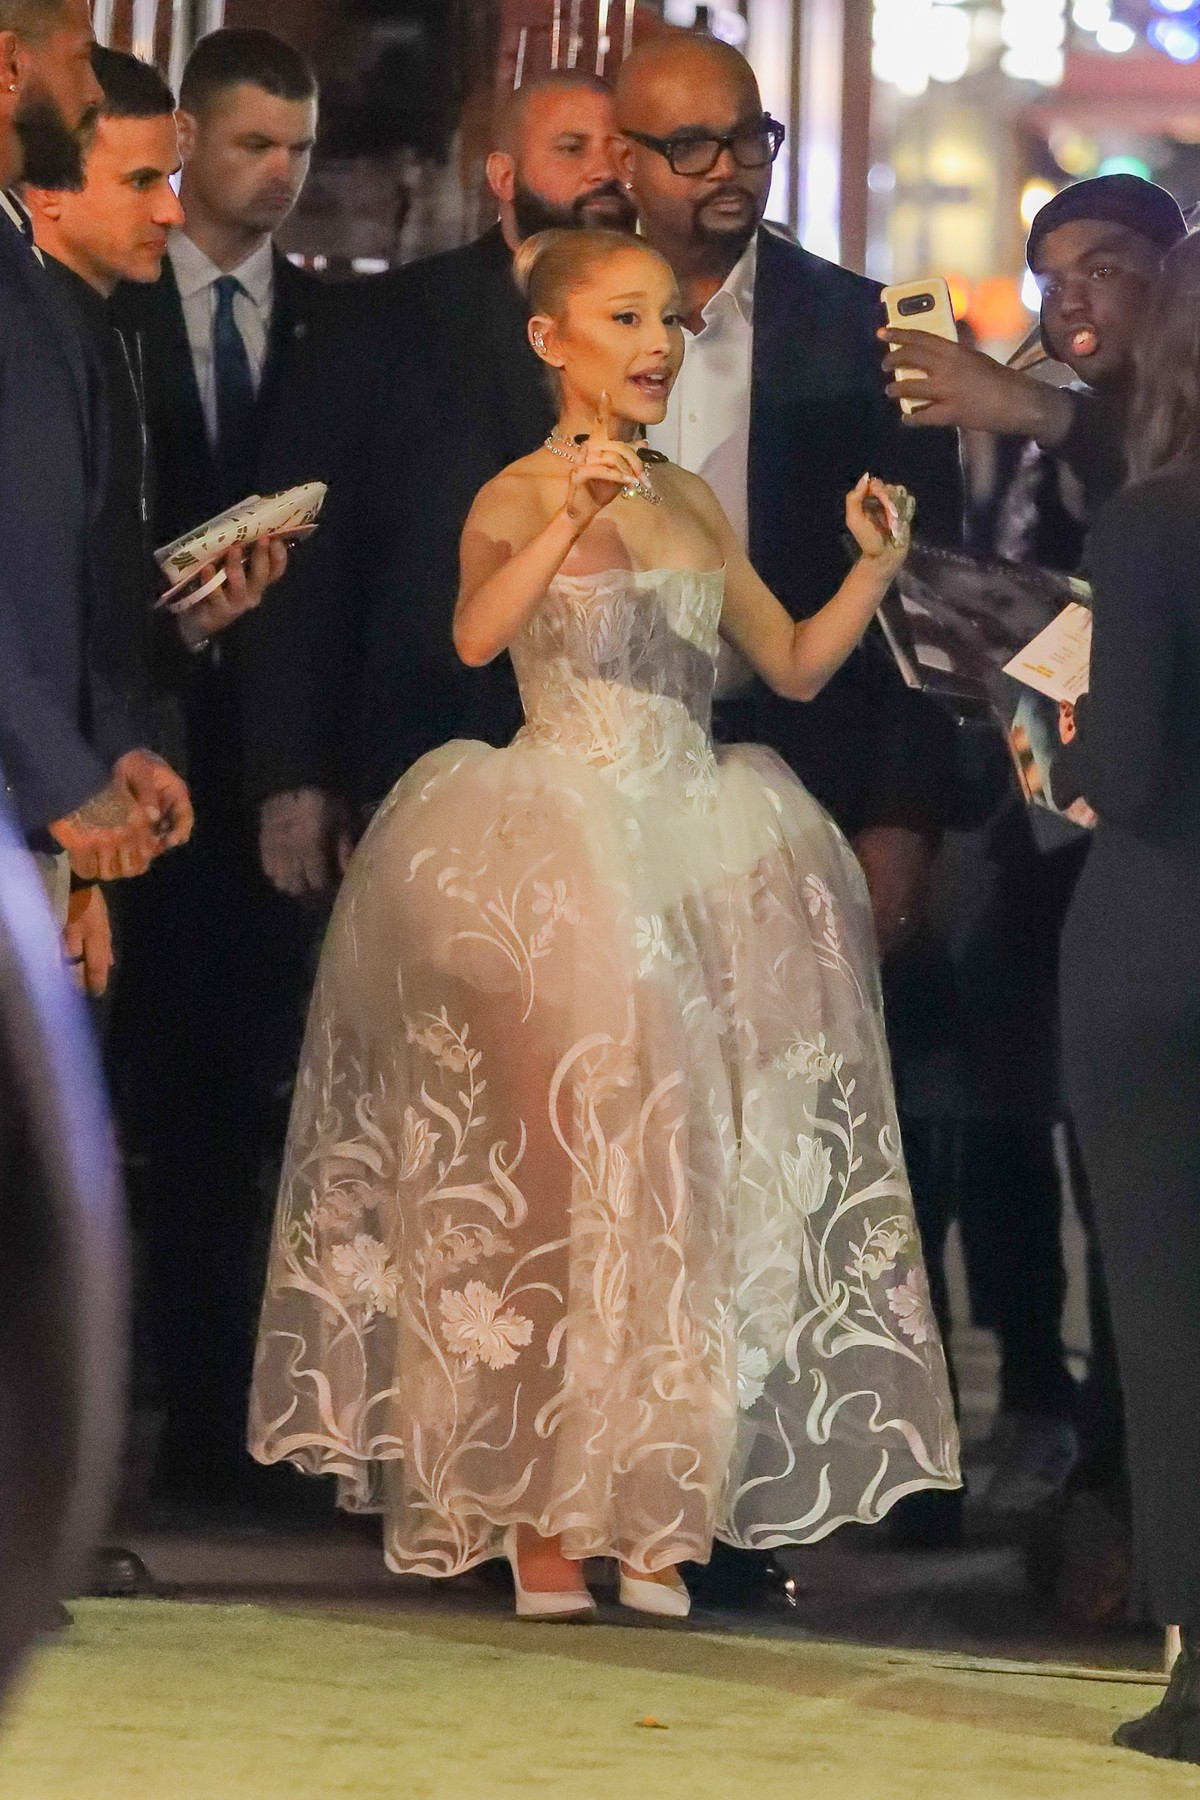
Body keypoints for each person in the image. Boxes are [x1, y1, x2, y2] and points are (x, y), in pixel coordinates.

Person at [250, 229, 960, 1618]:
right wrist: (568, 515)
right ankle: (536, 1514)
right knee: (558, 1183)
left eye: (671, 322)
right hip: (554, 851)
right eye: (626, 318)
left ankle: (653, 1504)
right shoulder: (514, 492)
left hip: (697, 841)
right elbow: (474, 638)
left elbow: (791, 665)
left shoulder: (689, 495)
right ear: (551, 339)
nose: (657, 344)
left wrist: (874, 572)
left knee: (683, 1177)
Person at [24, 43, 290, 1558]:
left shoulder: (87, 322)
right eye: (141, 180)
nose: (172, 207)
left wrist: (142, 708)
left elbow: (81, 599)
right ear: (47, 190)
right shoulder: (25, 323)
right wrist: (70, 795)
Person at [241, 67, 638, 900]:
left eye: (619, 148)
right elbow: (306, 562)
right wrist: (294, 772)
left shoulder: (659, 330)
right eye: (572, 149)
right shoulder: (383, 325)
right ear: (503, 175)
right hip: (417, 758)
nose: (605, 170)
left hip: (615, 783)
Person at [615, 34, 964, 964]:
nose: (729, 169)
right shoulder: (560, 320)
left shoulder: (868, 330)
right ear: (624, 159)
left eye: (749, 138)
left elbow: (928, 586)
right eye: (692, 146)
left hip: (810, 778)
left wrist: (903, 816)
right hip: (591, 785)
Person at [105, 27, 322, 1508]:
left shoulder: (324, 323)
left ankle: (210, 1423)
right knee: (119, 1088)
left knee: (234, 1097)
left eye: (298, 150)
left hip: (257, 760)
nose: (279, 174)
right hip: (124, 723)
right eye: (252, 145)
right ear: (186, 143)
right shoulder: (109, 304)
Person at [1053, 228, 1200, 1763]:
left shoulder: (1157, 522)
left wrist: (1056, 739)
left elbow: (1129, 770)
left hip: (1165, 947)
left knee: (1169, 1315)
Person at [0, 0, 180, 926]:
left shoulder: (26, 271)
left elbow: (53, 566)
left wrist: (111, 747)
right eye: (79, 60)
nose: (90, 93)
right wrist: (61, 776)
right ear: (9, 67)